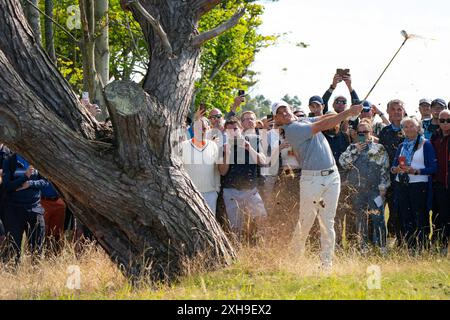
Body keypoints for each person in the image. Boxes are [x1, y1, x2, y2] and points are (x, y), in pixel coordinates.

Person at [274, 100, 362, 269]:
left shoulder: (303, 120)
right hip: (312, 179)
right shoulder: (292, 130)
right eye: (280, 113)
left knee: (328, 222)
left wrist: (349, 113)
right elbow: (323, 124)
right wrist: (348, 113)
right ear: (278, 119)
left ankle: (326, 265)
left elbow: (326, 117)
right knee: (306, 222)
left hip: (332, 175)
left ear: (291, 110)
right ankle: (294, 260)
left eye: (285, 110)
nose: (285, 113)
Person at [339, 120, 390, 252]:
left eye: (365, 132)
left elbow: (385, 168)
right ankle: (363, 247)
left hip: (375, 190)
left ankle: (381, 247)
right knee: (360, 219)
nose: (362, 135)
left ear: (371, 132)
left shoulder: (379, 148)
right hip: (357, 190)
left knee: (378, 217)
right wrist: (356, 150)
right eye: (359, 132)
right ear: (356, 133)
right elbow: (343, 163)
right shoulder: (351, 148)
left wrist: (383, 187)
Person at [391, 117, 437, 252]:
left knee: (420, 216)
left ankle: (423, 247)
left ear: (418, 128)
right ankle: (410, 247)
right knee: (405, 216)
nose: (409, 128)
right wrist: (396, 169)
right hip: (402, 184)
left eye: (412, 126)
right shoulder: (402, 145)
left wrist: (416, 171)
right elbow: (393, 167)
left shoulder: (425, 144)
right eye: (405, 126)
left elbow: (433, 168)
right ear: (402, 130)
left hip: (418, 185)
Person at [221, 117, 267, 242]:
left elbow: (263, 161)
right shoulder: (223, 147)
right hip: (231, 190)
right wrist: (227, 154)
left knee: (261, 218)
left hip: (251, 190)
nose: (233, 132)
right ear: (226, 132)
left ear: (241, 128)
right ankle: (238, 247)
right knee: (236, 225)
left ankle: (262, 244)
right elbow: (222, 171)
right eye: (229, 130)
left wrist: (250, 149)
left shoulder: (254, 141)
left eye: (235, 129)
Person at [1, 153, 49, 262]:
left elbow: (46, 181)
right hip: (14, 210)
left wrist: (30, 183)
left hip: (35, 209)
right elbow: (7, 186)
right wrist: (25, 177)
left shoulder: (38, 158)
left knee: (37, 251)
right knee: (12, 251)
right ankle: (13, 277)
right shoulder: (10, 160)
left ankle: (35, 276)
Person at [180, 117, 228, 215]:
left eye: (204, 128)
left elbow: (218, 170)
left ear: (209, 129)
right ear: (193, 129)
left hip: (210, 194)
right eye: (197, 128)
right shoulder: (183, 146)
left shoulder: (213, 146)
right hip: (190, 193)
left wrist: (216, 191)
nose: (201, 131)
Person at [378, 99, 406, 245]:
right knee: (386, 210)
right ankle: (387, 241)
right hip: (387, 177)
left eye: (399, 109)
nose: (396, 112)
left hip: (405, 177)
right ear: (388, 112)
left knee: (401, 210)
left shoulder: (409, 128)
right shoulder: (384, 131)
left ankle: (402, 242)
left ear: (404, 111)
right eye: (393, 109)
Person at [430, 109, 450, 255]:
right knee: (437, 215)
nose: (445, 123)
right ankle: (439, 245)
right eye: (442, 120)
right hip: (438, 183)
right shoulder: (435, 136)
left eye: (448, 120)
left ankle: (445, 246)